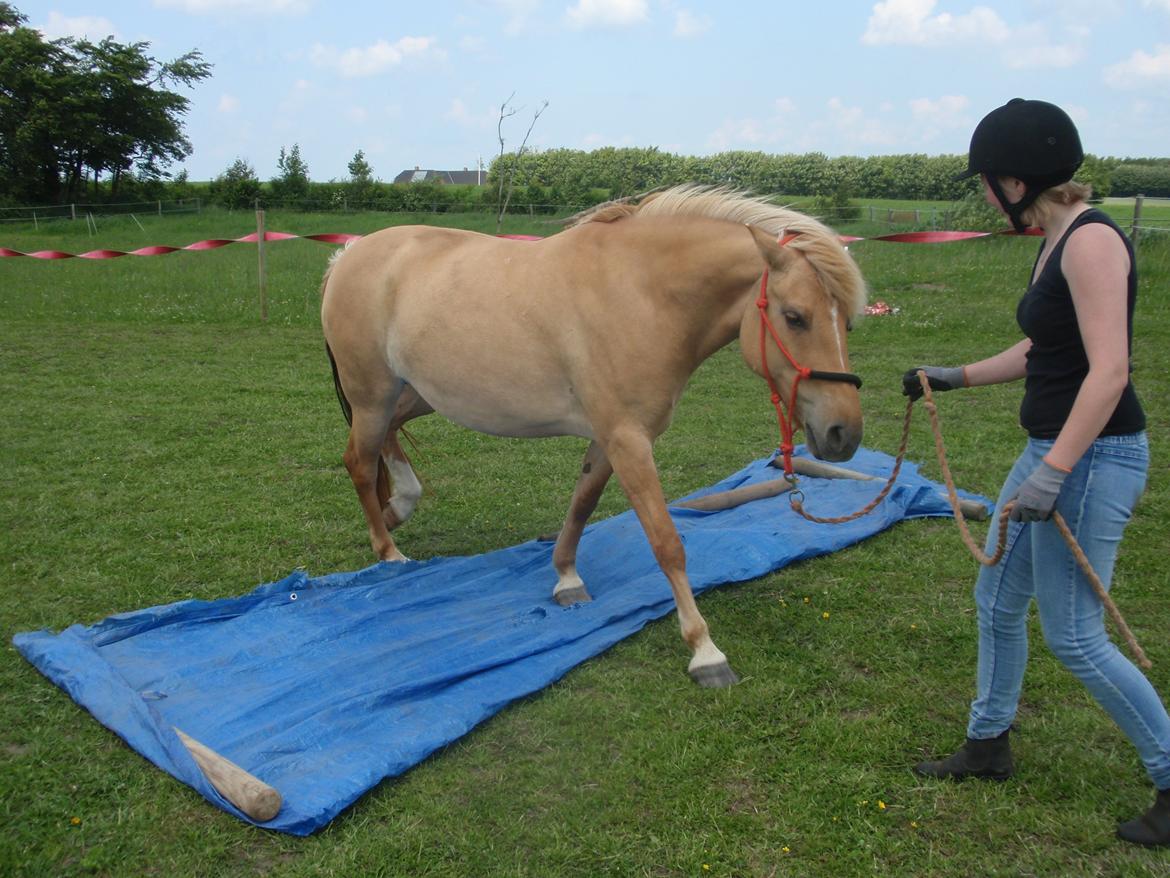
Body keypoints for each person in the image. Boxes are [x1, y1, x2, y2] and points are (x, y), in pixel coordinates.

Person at [903, 98, 1170, 848]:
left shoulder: (1090, 243)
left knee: (1078, 636)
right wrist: (953, 375)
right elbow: (1046, 351)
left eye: (989, 180)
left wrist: (1053, 472)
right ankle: (988, 746)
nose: (985, 193)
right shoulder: (1055, 240)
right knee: (996, 600)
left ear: (1016, 180)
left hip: (1089, 458)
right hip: (1054, 451)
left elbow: (1110, 370)